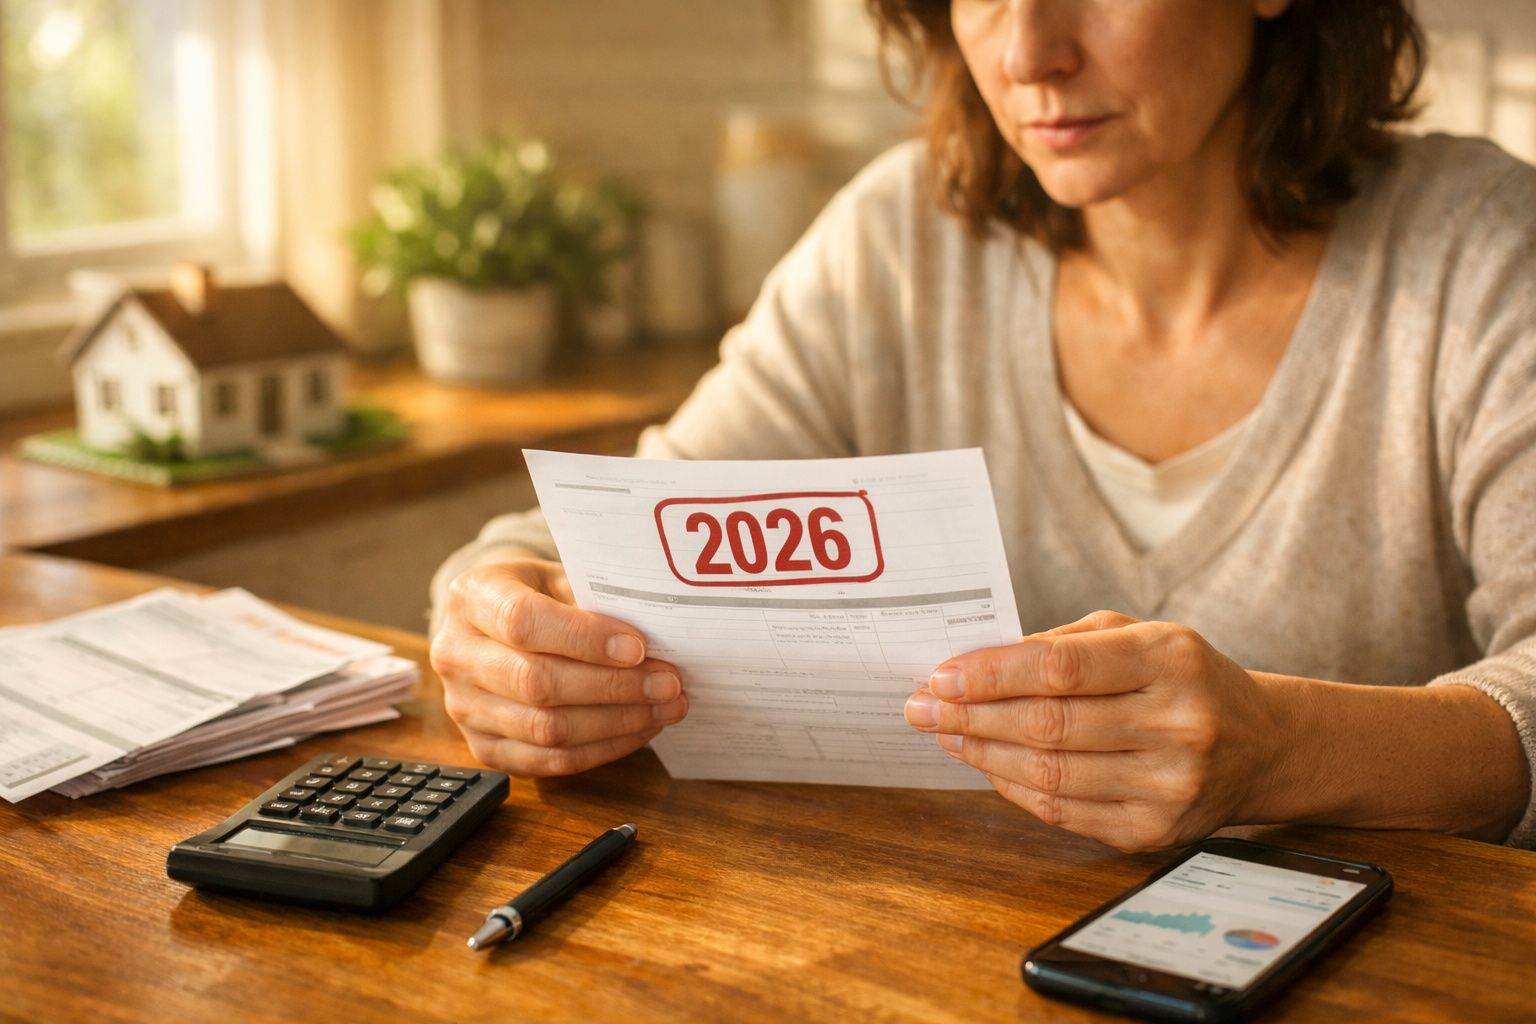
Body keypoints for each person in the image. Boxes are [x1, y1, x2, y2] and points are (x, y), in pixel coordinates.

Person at [429, 0, 1536, 853]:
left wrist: (1284, 751)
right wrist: (495, 624)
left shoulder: (1479, 252)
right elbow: (591, 547)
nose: (1027, 52)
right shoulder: (899, 242)